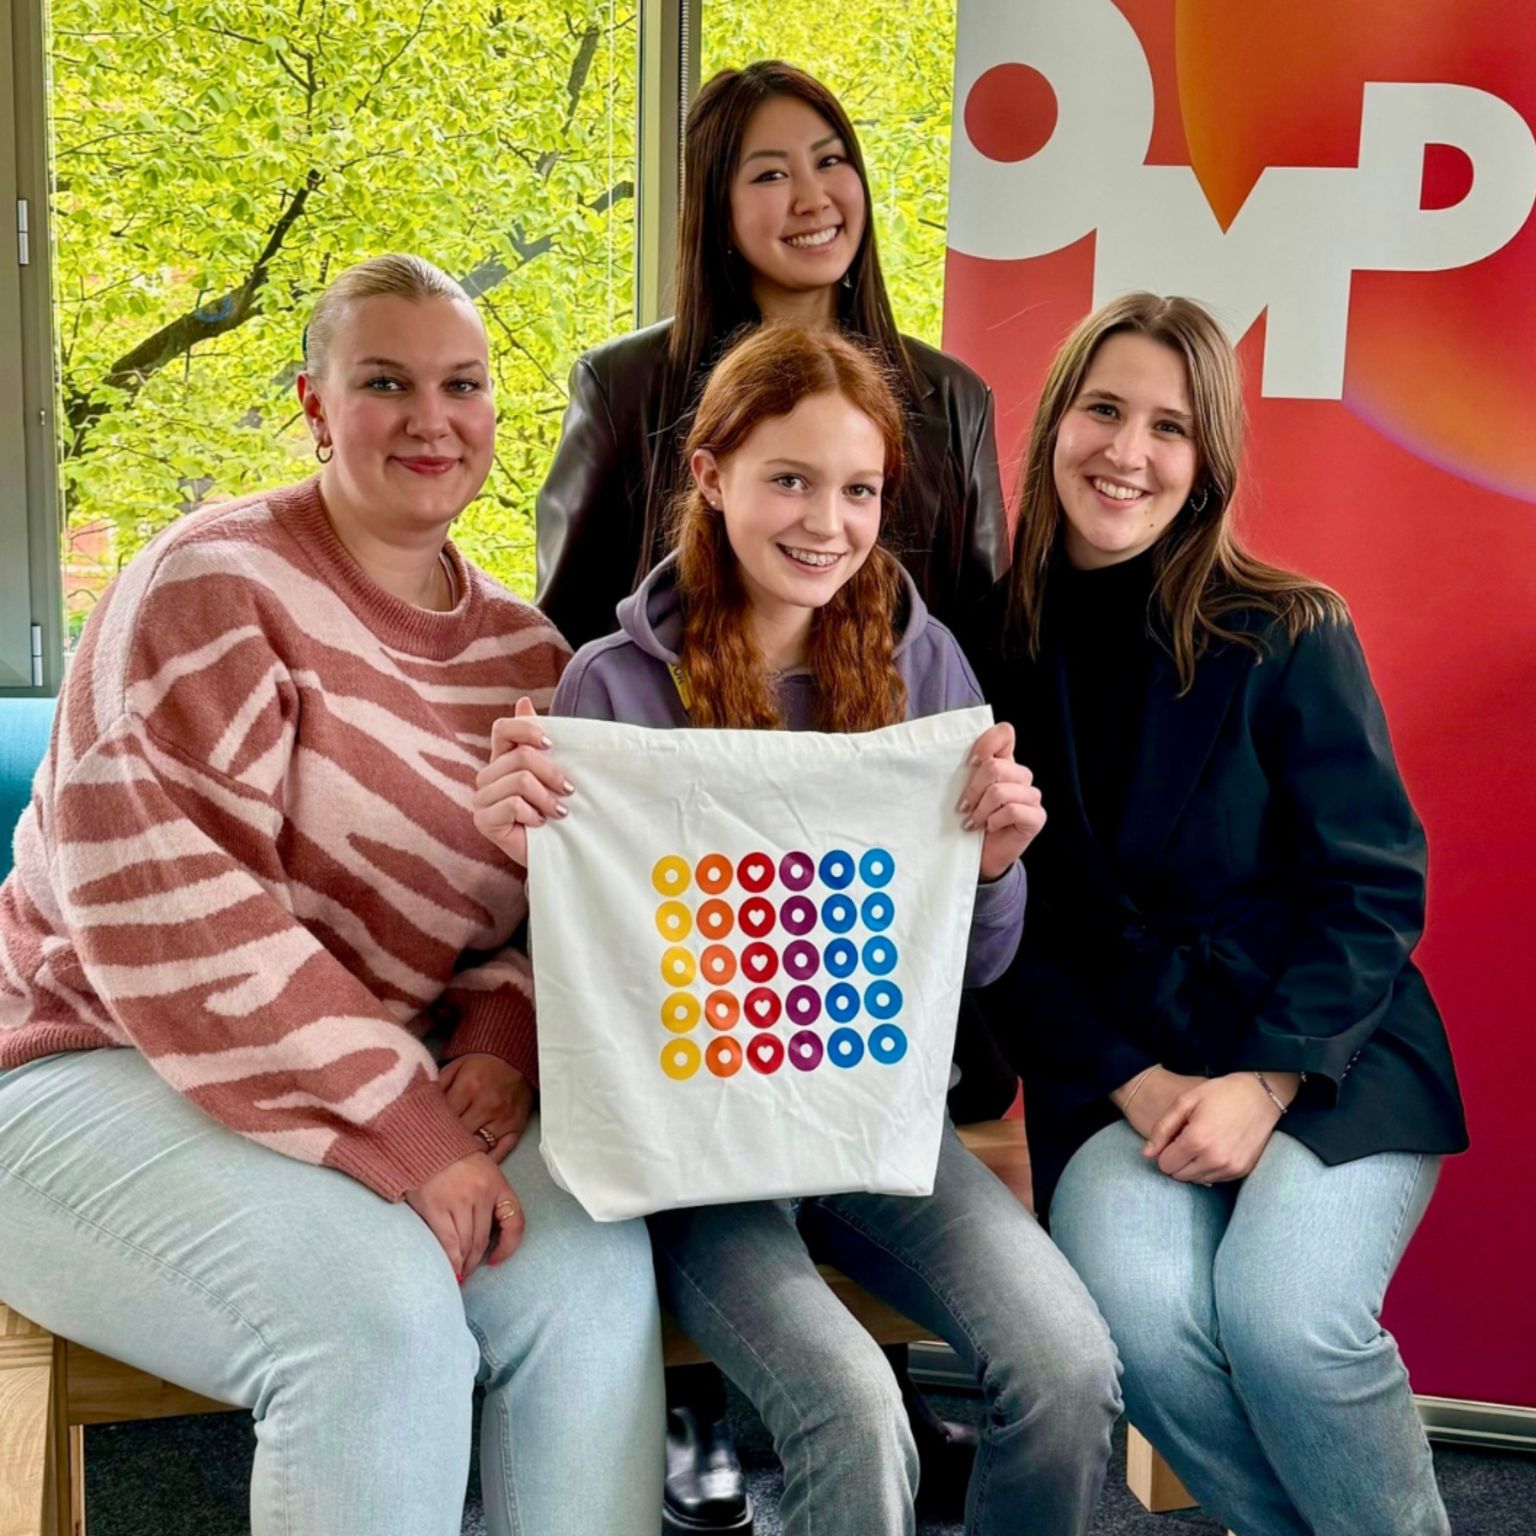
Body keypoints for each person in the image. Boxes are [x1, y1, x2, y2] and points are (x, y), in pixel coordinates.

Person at [0, 255, 663, 1536]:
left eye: (461, 385)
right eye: (385, 384)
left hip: (372, 1071)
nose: (432, 420)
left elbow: (545, 912)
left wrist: (499, 1041)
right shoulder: (210, 583)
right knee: (381, 1322)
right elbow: (175, 919)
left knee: (593, 1289)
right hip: (90, 1055)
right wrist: (407, 1130)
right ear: (314, 404)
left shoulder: (528, 658)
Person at [475, 322, 1121, 1536]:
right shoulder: (611, 687)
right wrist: (531, 860)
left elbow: (974, 965)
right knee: (853, 1411)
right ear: (711, 476)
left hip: (876, 1118)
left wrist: (992, 868)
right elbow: (588, 976)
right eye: (791, 479)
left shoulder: (926, 666)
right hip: (691, 1152)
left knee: (1071, 1367)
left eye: (860, 490)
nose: (828, 522)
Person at [964, 292, 1469, 1536]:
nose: (1127, 452)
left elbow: (1372, 886)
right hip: (1121, 1072)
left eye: (1169, 427)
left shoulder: (1290, 628)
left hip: (1330, 1052)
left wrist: (1269, 1079)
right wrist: (1133, 1081)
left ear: (1207, 464)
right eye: (1104, 410)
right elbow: (1002, 928)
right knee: (1139, 1318)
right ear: (1056, 423)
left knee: (1285, 1321)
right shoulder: (981, 646)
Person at [535, 59, 1009, 656]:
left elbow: (987, 642)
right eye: (771, 175)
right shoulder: (623, 386)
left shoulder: (954, 397)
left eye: (830, 162)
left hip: (901, 718)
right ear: (718, 210)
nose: (813, 199)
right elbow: (564, 636)